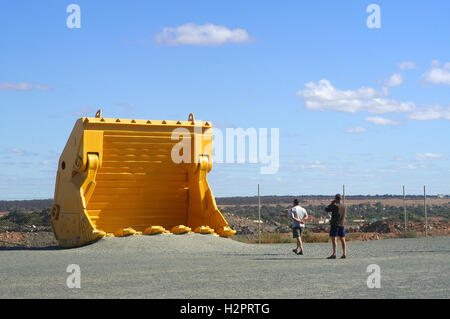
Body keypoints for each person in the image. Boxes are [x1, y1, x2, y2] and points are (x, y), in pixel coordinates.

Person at [325, 194, 347, 259]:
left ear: (336, 199)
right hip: (342, 224)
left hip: (335, 224)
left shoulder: (335, 206)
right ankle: (344, 253)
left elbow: (326, 209)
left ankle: (334, 254)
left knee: (334, 239)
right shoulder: (345, 206)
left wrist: (331, 203)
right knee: (343, 239)